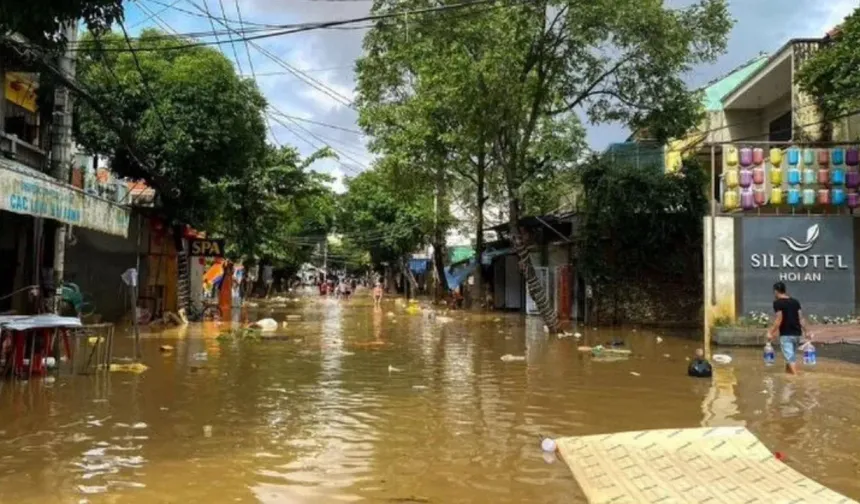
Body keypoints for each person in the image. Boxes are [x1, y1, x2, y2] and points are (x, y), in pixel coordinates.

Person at [768, 281, 811, 375]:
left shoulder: (777, 303)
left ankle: (796, 379)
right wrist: (807, 331)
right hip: (797, 334)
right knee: (790, 357)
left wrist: (770, 332)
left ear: (776, 291)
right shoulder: (795, 302)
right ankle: (788, 376)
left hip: (786, 334)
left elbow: (779, 319)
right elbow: (801, 318)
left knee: (790, 358)